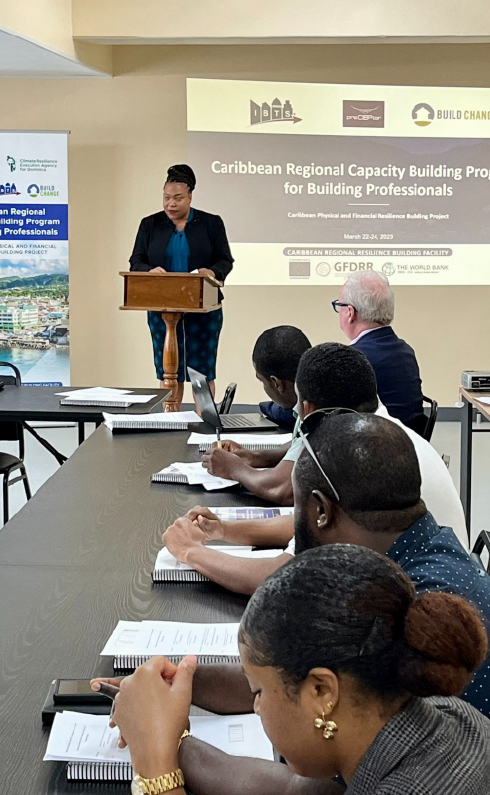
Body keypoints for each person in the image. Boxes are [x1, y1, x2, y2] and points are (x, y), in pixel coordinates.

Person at [96, 545, 490, 795]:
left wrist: (155, 768)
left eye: (258, 692)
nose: (255, 708)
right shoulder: (441, 715)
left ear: (322, 692)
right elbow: (295, 789)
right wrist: (164, 732)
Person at [183, 344, 467, 591]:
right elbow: (312, 525)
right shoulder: (381, 435)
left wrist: (190, 552)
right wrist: (223, 530)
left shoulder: (357, 456)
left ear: (308, 409)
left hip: (420, 599)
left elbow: (284, 576)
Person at [129, 164, 234, 407]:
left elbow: (225, 260)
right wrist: (149, 271)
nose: (171, 204)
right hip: (163, 309)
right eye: (166, 198)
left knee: (202, 370)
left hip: (203, 309)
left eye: (178, 198)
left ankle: (203, 426)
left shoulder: (211, 223)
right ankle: (171, 422)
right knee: (169, 371)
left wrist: (212, 271)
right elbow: (136, 262)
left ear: (190, 197)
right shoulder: (149, 224)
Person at [202, 325, 311, 505]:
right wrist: (254, 457)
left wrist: (234, 469)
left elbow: (282, 489)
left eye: (262, 381)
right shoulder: (311, 392)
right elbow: (302, 443)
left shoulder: (314, 407)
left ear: (277, 383)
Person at [333, 271, 424, 430]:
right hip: (409, 445)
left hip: (373, 446)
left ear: (350, 312)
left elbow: (316, 411)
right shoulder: (405, 351)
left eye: (338, 305)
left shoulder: (353, 360)